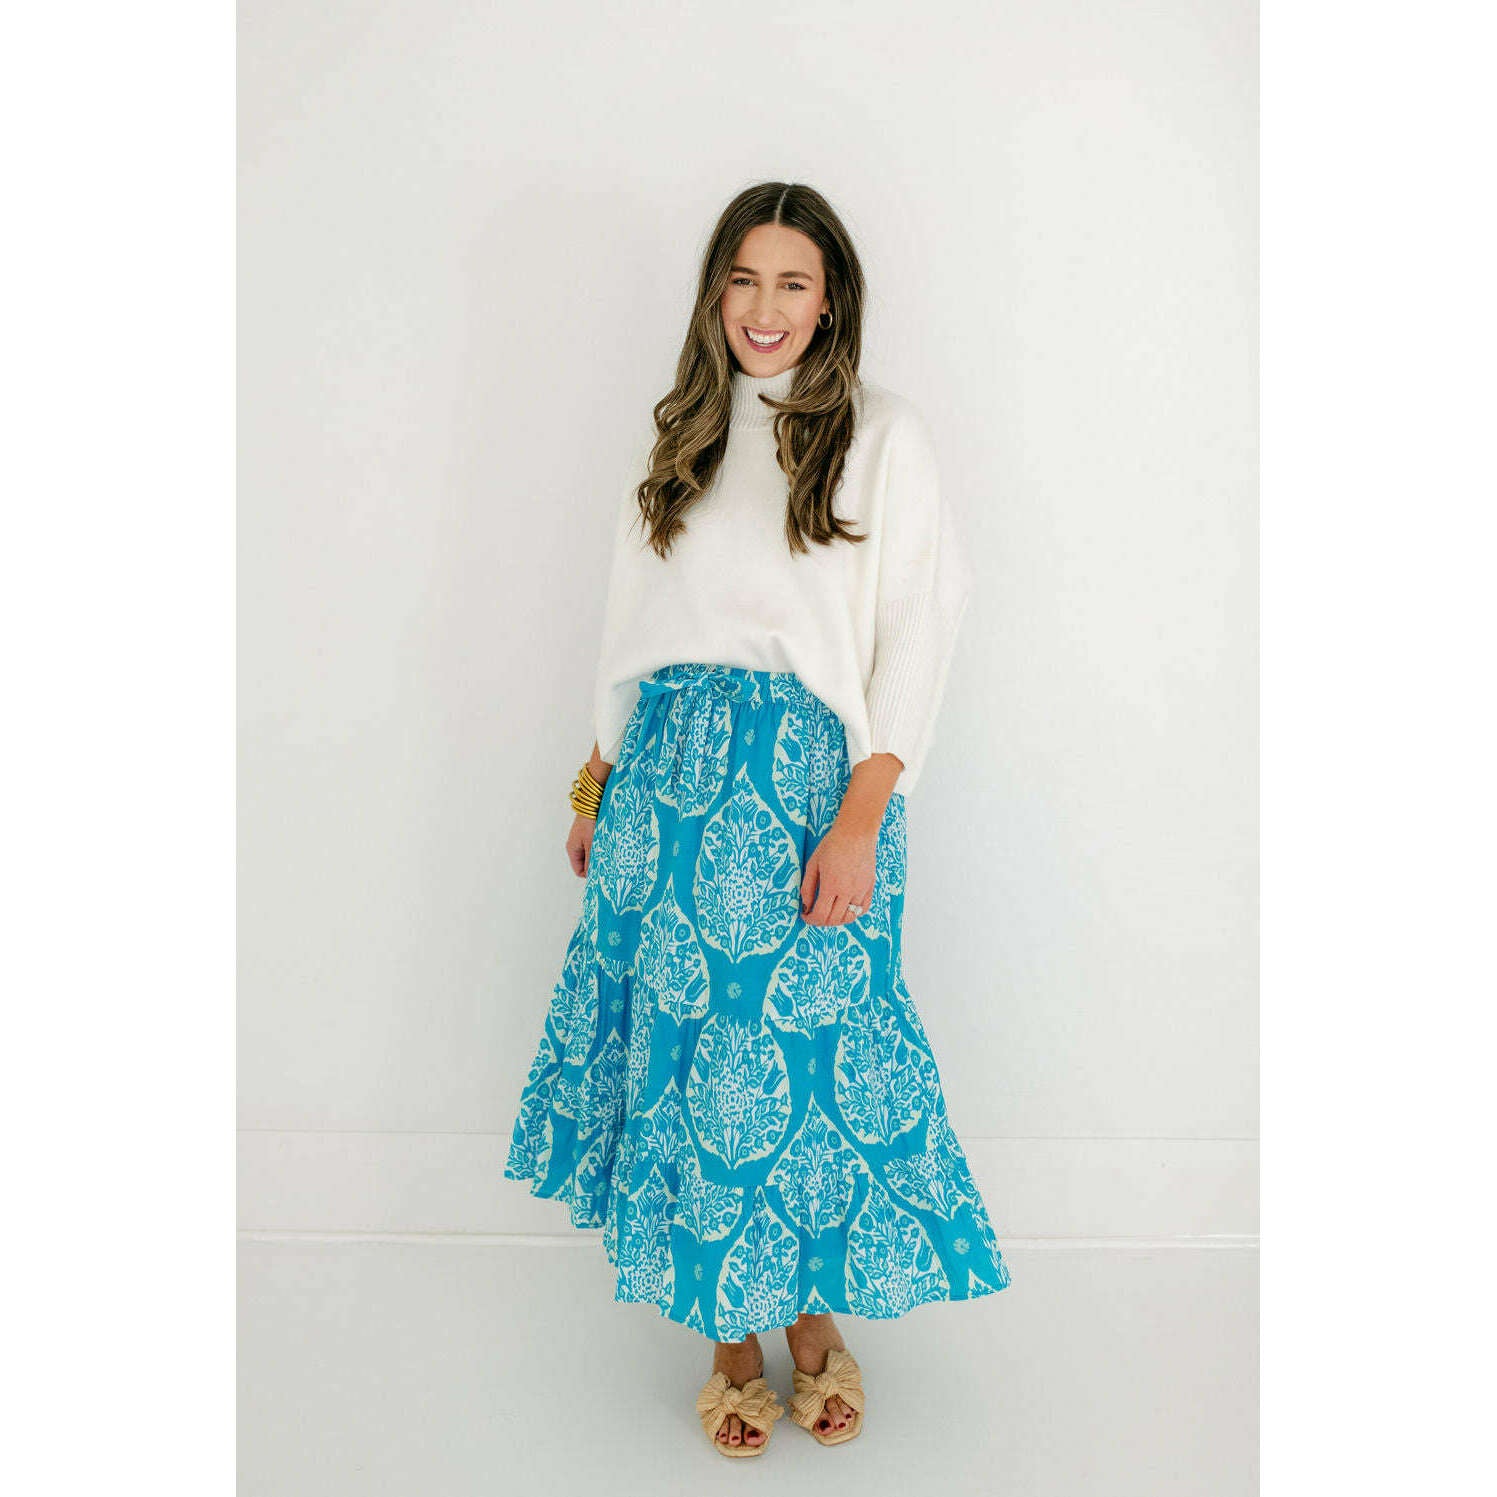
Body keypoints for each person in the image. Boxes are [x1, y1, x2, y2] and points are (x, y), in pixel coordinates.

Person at [504, 181, 1011, 1458]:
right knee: (690, 1064)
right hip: (666, 785)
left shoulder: (881, 437)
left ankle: (811, 1320)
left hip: (809, 790)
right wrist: (598, 783)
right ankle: (728, 1335)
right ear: (714, 293)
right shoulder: (683, 433)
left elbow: (921, 626)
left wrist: (862, 817)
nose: (765, 307)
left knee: (810, 1065)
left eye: (793, 281)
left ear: (830, 298)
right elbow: (631, 622)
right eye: (743, 278)